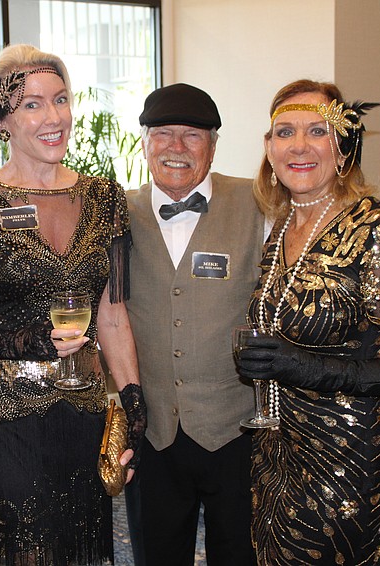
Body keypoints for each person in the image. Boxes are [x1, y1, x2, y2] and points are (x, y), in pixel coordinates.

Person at [0, 44, 146, 565]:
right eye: (32, 104)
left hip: (81, 413)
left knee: (79, 552)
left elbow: (114, 314)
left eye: (60, 99)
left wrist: (131, 399)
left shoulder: (106, 198)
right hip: (1, 418)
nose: (53, 117)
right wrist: (11, 342)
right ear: (2, 118)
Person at [235, 79, 380, 565]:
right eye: (284, 132)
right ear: (269, 148)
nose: (299, 146)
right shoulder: (283, 226)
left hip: (348, 454)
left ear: (343, 147)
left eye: (317, 131)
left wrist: (309, 368)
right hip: (277, 446)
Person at [123, 83, 263, 565]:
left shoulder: (260, 203)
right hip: (153, 431)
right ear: (143, 141)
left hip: (236, 428)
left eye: (192, 136)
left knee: (241, 555)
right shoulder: (116, 212)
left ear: (214, 144)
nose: (176, 148)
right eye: (163, 133)